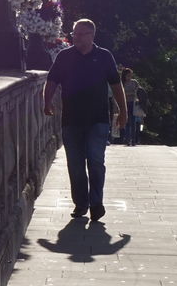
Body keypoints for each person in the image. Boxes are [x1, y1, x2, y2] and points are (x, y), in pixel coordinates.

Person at [43, 18, 127, 222]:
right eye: (74, 33)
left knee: (96, 161)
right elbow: (51, 80)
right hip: (71, 120)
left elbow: (116, 86)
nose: (76, 37)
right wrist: (47, 102)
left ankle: (96, 203)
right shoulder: (64, 57)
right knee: (76, 164)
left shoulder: (104, 56)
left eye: (80, 34)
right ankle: (81, 203)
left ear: (92, 36)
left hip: (98, 119)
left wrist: (122, 111)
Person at [121, 68, 145, 146]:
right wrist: (131, 93)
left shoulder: (134, 82)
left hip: (133, 103)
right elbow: (122, 93)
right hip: (125, 103)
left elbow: (139, 91)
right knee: (127, 122)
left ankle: (134, 140)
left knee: (134, 122)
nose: (129, 77)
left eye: (130, 75)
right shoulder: (122, 83)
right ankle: (127, 139)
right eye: (128, 75)